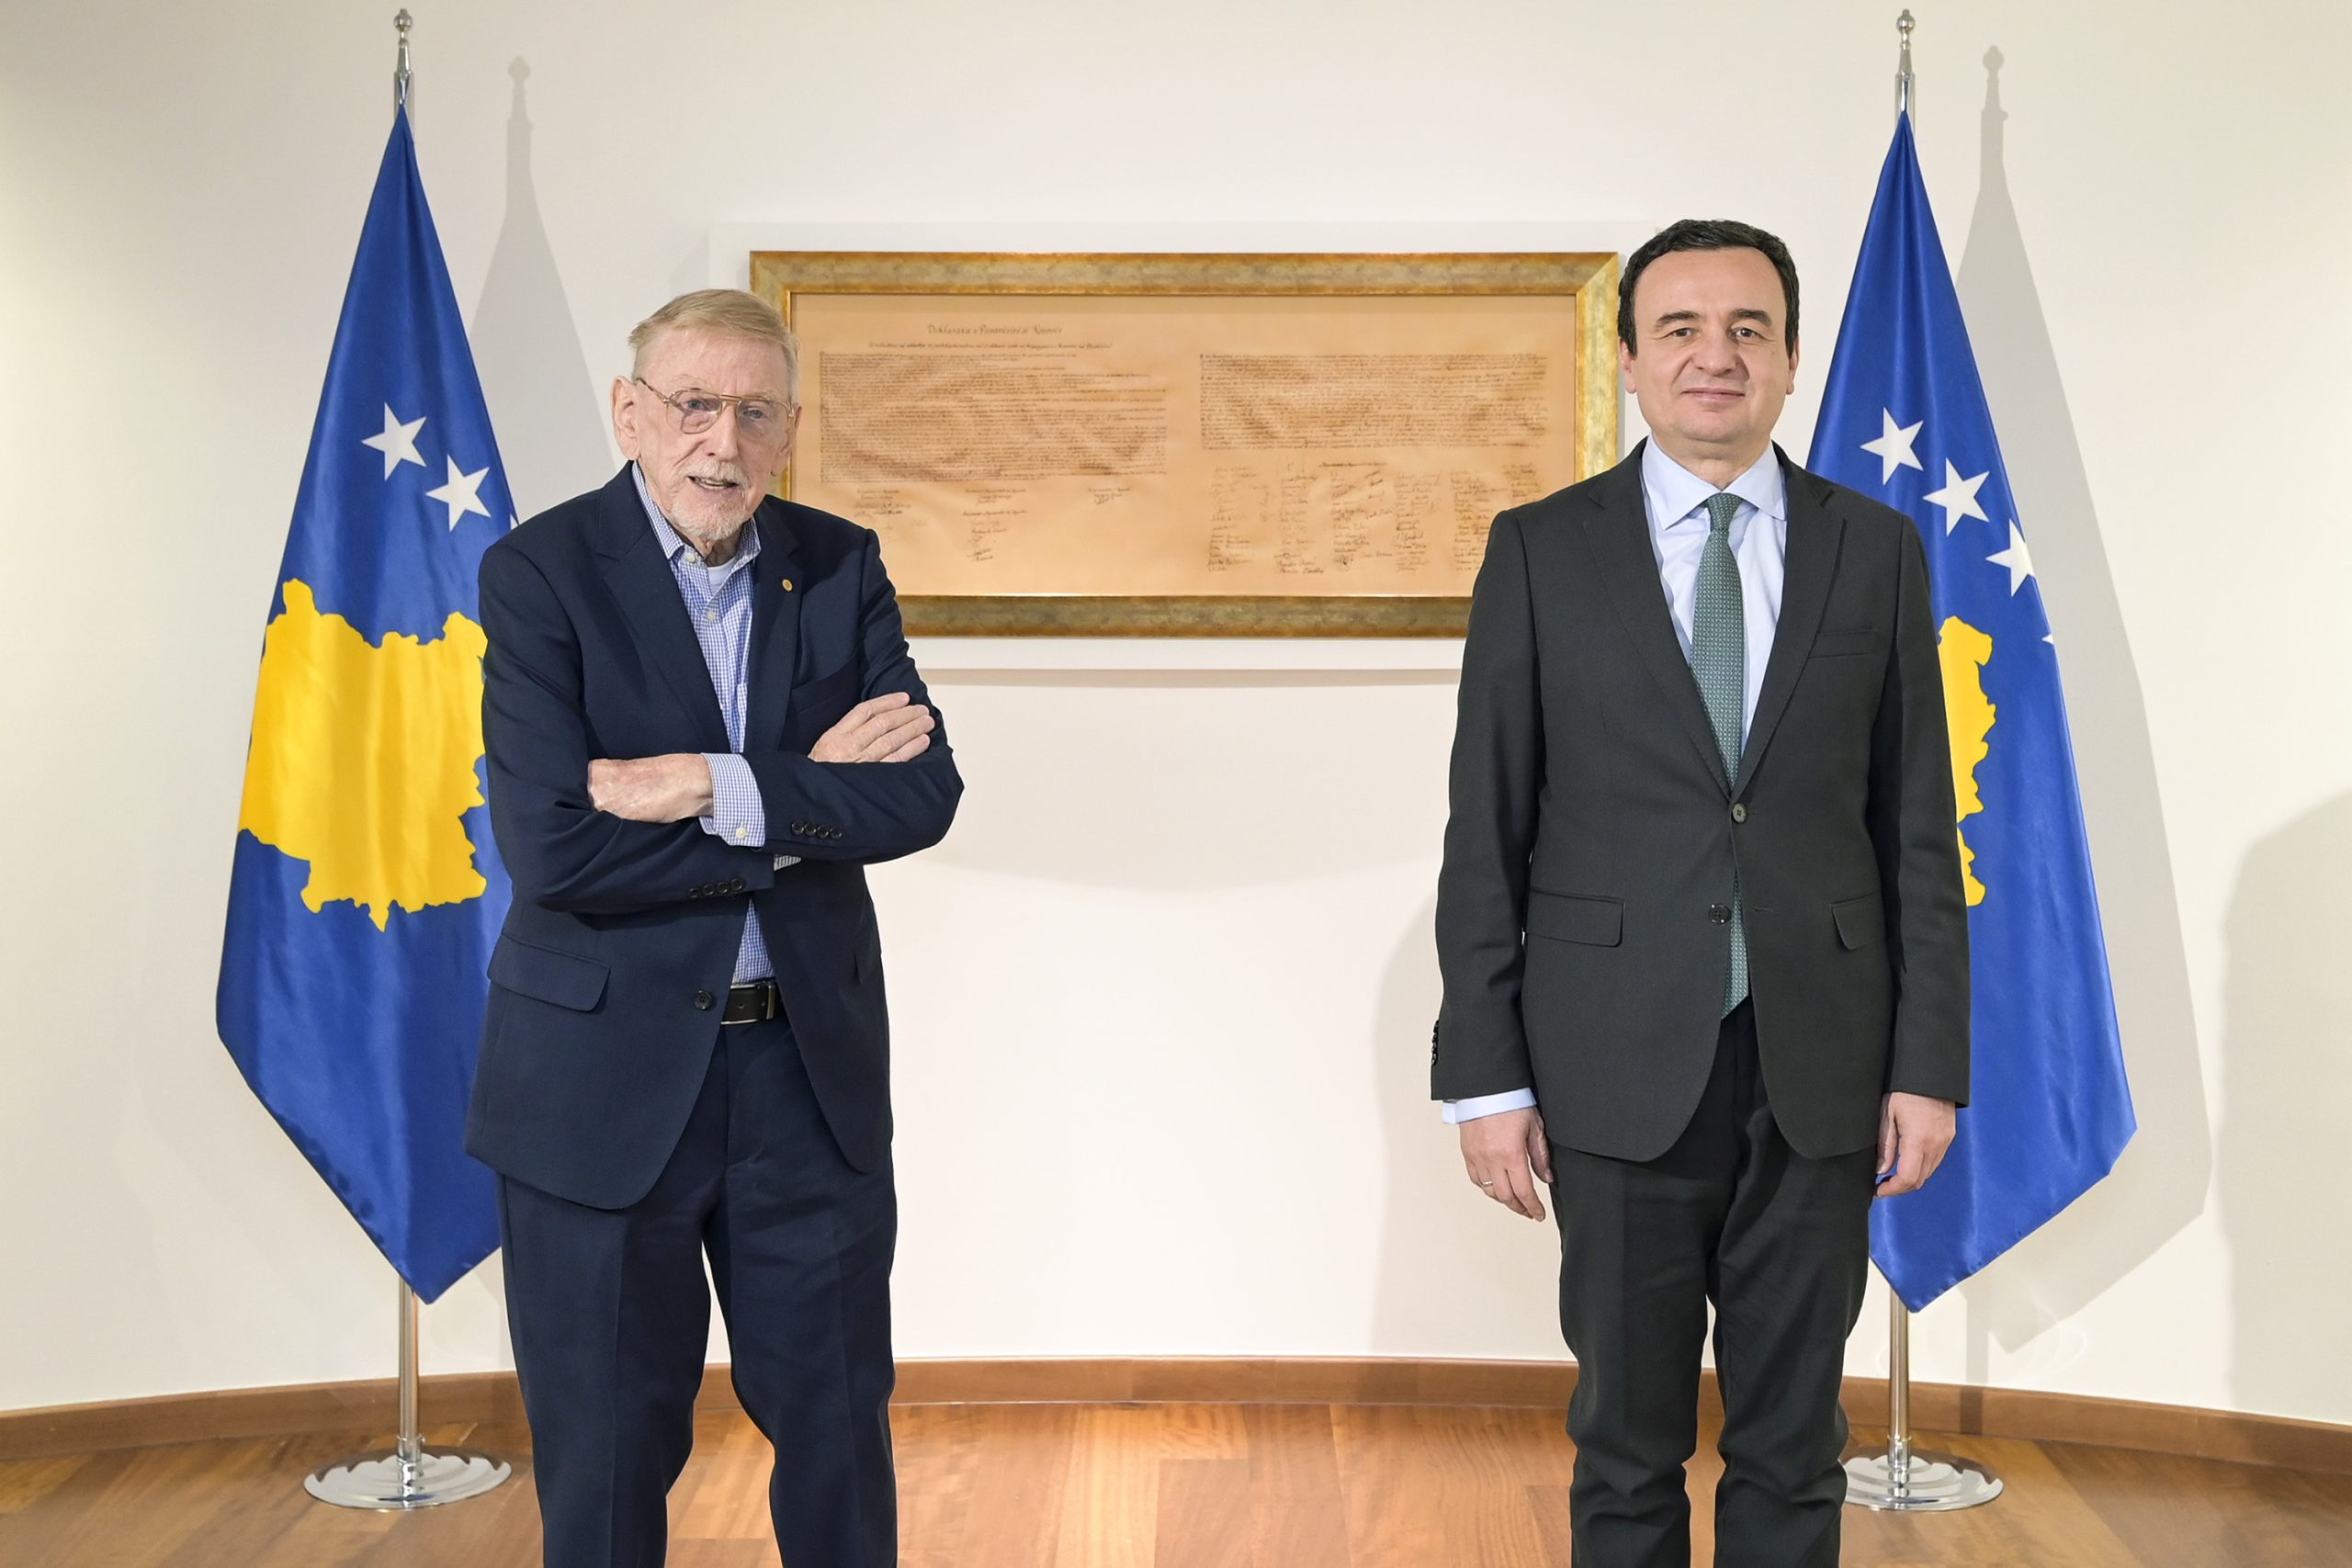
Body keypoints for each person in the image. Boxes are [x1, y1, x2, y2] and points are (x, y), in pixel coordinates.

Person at [1431, 220, 1970, 1566]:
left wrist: (1929, 1068)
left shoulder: (1877, 549)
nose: (1714, 356)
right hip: (1612, 1059)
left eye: (1747, 329)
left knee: (1795, 1443)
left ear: (1790, 360)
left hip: (1823, 1066)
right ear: (1628, 358)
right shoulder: (1541, 550)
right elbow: (1486, 830)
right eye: (1679, 329)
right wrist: (1484, 1079)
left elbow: (1916, 829)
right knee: (1626, 1442)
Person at [467, 288, 960, 1568]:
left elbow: (920, 795)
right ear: (630, 414)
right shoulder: (540, 573)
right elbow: (556, 849)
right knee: (606, 1455)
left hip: (804, 1074)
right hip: (596, 1081)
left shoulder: (839, 562)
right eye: (692, 405)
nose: (721, 442)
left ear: (788, 428)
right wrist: (802, 799)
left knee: (840, 1431)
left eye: (754, 412)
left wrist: (706, 781)